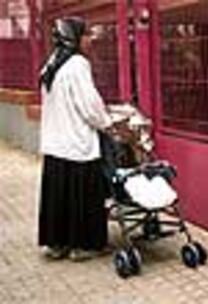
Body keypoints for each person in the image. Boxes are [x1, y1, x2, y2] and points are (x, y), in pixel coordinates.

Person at [38, 17, 114, 261]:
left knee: (58, 196)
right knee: (84, 196)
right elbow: (89, 105)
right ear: (74, 38)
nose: (91, 39)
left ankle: (57, 243)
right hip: (77, 143)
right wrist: (107, 123)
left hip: (55, 143)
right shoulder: (78, 64)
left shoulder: (51, 64)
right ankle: (85, 246)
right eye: (87, 35)